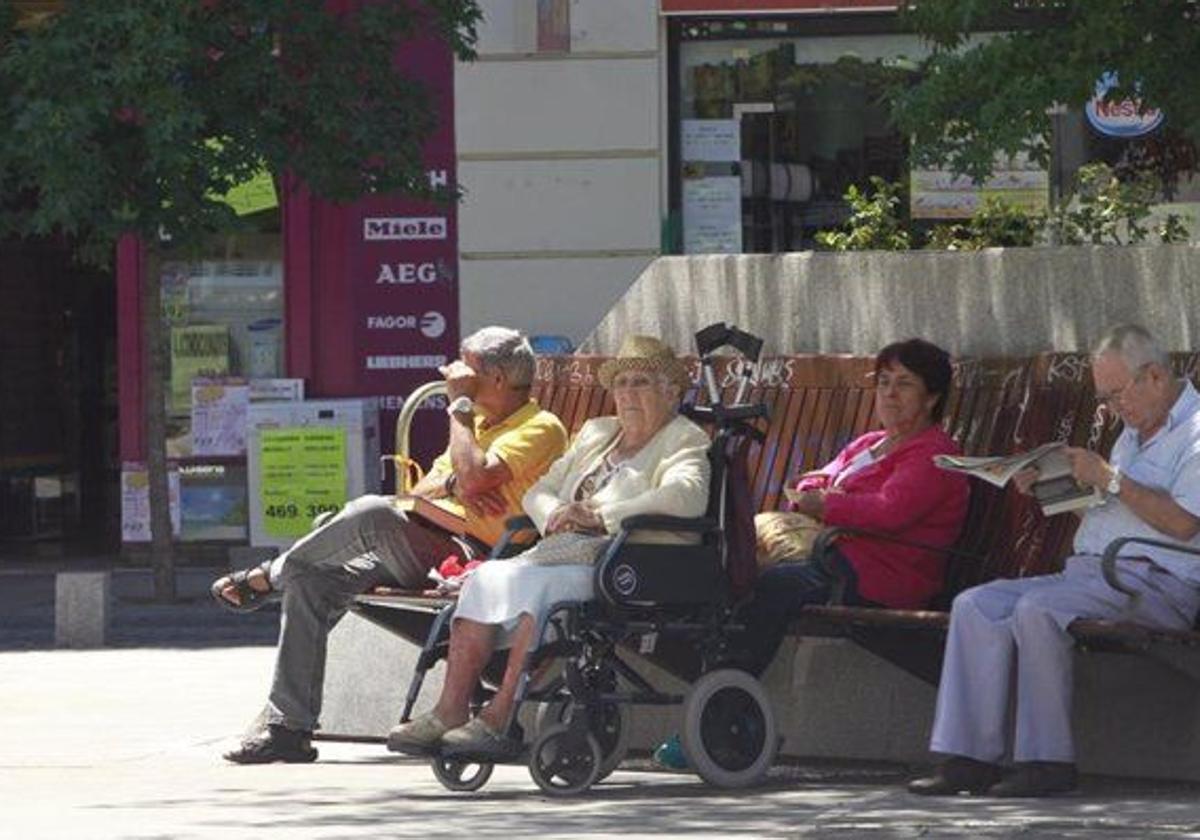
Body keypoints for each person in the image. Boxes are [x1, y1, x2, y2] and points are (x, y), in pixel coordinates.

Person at [213, 326, 568, 764]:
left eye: (464, 367)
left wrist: (458, 419)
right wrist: (463, 478)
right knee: (311, 581)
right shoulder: (478, 425)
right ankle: (289, 728)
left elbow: (472, 479)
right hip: (426, 539)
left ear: (496, 379)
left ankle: (268, 577)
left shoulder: (540, 426)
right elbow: (438, 484)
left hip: (476, 554)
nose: (450, 373)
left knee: (372, 512)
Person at [910, 324, 1200, 798]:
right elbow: (1117, 509)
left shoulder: (1194, 435)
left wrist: (1110, 480)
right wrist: (1050, 486)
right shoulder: (1135, 432)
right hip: (1093, 574)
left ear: (1153, 376)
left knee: (1038, 610)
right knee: (975, 605)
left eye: (1116, 393)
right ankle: (970, 758)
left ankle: (1047, 761)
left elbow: (1185, 524)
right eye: (1103, 397)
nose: (1112, 408)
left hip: (1155, 584)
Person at [387, 335, 710, 758]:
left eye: (642, 382)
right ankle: (450, 710)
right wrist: (556, 513)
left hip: (630, 559)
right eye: (622, 383)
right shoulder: (599, 433)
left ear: (670, 392)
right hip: (567, 549)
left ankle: (499, 718)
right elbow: (540, 490)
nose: (628, 393)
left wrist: (600, 516)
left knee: (538, 591)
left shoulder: (683, 438)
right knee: (485, 578)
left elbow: (685, 497)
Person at [655, 337, 970, 770]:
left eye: (905, 385)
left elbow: (889, 511)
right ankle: (722, 712)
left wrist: (829, 504)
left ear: (932, 397)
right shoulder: (870, 444)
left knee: (770, 587)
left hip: (882, 574)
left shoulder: (936, 453)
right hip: (836, 558)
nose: (890, 394)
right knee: (728, 573)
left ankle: (717, 718)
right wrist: (819, 495)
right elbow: (813, 481)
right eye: (883, 382)